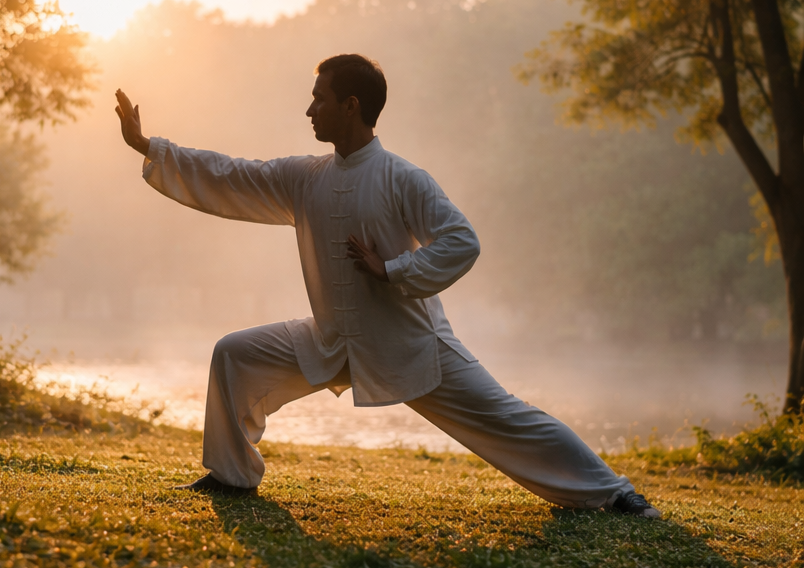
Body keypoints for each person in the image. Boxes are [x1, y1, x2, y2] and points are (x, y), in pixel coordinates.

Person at [114, 54, 661, 518]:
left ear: (351, 106)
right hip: (331, 340)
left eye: (319, 98)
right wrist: (150, 147)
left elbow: (461, 240)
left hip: (409, 345)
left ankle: (615, 495)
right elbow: (232, 173)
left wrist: (394, 270)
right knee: (235, 355)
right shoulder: (305, 176)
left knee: (507, 418)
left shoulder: (404, 178)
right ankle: (232, 477)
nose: (309, 109)